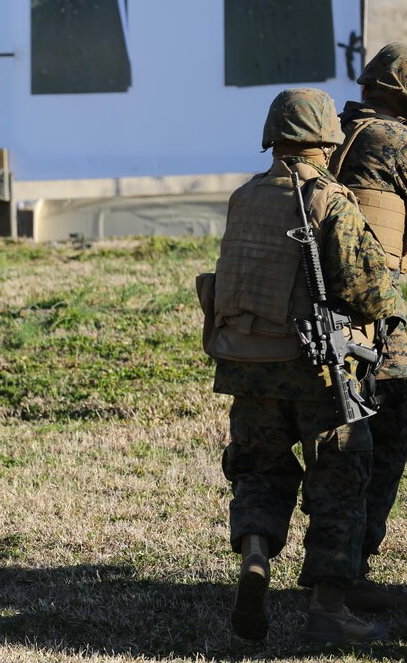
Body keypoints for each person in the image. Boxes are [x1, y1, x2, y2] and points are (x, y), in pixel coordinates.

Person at [204, 88, 407, 644]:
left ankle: (254, 553)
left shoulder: (243, 197)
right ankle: (329, 607)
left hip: (247, 365)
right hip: (316, 370)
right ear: (326, 139)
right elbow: (368, 292)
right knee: (341, 478)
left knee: (260, 470)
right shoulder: (330, 200)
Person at [327, 42, 407, 612]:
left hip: (323, 314)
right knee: (386, 437)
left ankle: (337, 570)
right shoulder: (395, 140)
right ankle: (351, 572)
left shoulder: (331, 133)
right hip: (380, 319)